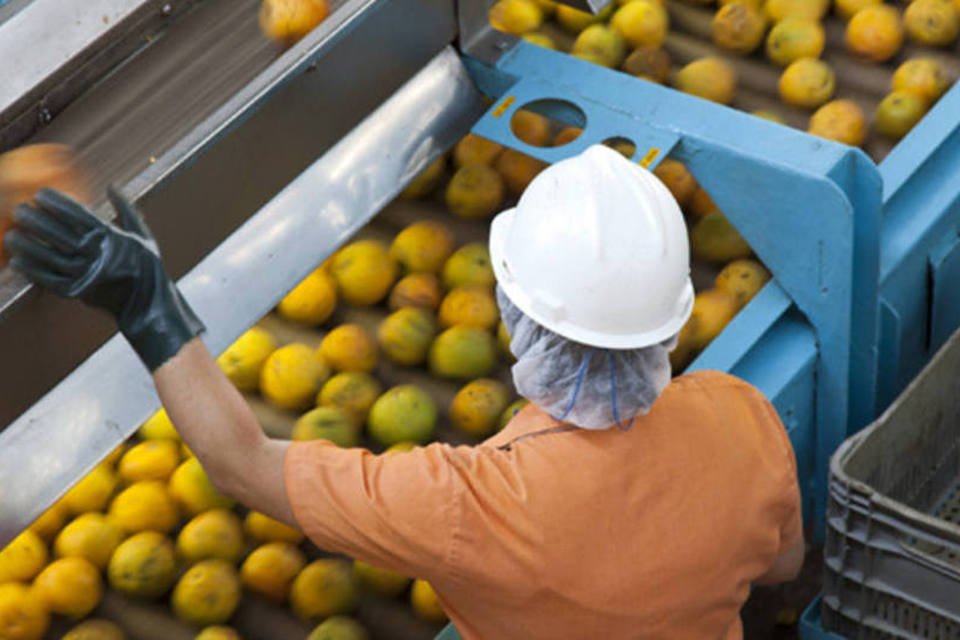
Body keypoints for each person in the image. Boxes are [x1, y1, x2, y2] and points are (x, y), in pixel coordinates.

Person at [5, 145, 803, 639]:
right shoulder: (742, 415)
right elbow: (780, 566)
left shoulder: (469, 506)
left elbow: (240, 462)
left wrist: (148, 304)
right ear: (670, 323)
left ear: (508, 308)